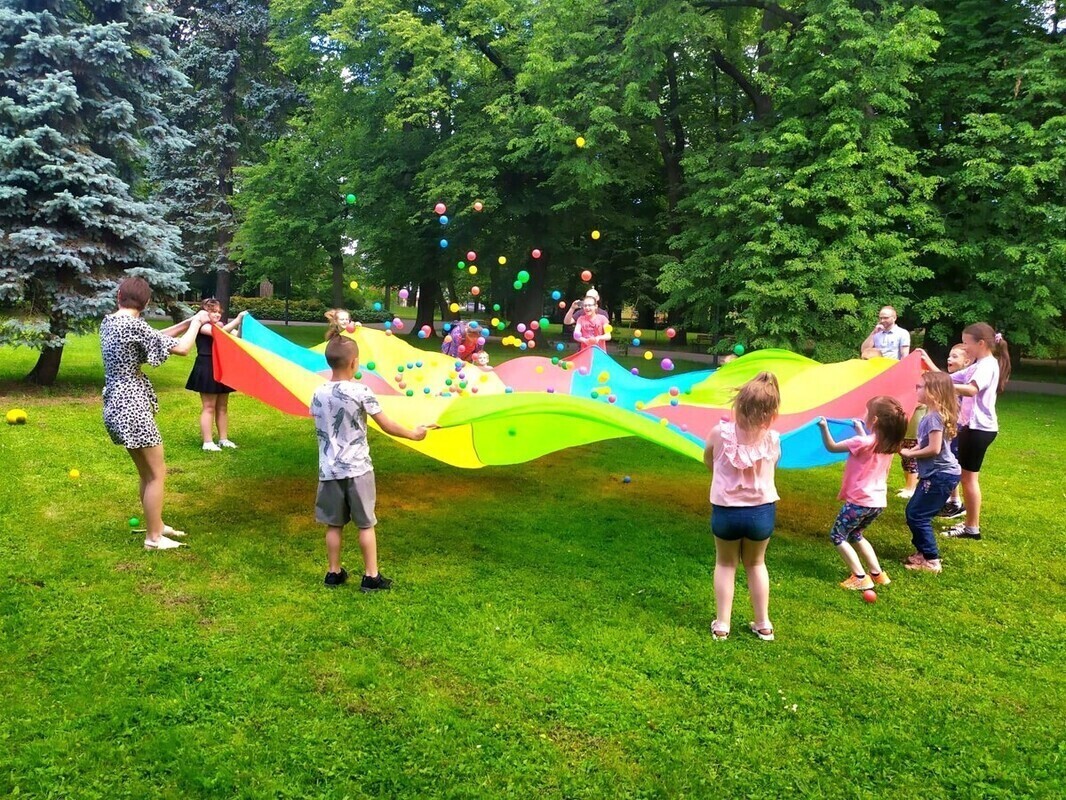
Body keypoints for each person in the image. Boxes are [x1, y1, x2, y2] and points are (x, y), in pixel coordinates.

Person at [311, 335, 429, 588]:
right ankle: (371, 576)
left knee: (333, 524)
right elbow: (386, 424)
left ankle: (333, 573)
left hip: (329, 470)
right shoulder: (361, 391)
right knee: (365, 525)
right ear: (354, 363)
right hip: (358, 470)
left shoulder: (317, 392)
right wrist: (414, 434)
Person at [101, 277, 209, 550]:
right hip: (132, 406)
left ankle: (156, 525)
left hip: (115, 403)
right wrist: (196, 323)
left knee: (147, 473)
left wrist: (186, 323)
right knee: (157, 474)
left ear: (119, 296)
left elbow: (153, 337)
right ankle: (153, 538)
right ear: (147, 302)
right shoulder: (135, 325)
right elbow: (182, 348)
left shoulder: (109, 322)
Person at [703, 372, 781, 641]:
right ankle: (763, 624)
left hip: (726, 511)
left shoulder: (719, 434)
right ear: (772, 414)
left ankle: (722, 625)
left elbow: (708, 460)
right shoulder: (773, 439)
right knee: (756, 563)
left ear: (738, 405)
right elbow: (774, 464)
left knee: (725, 564)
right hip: (761, 513)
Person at [924, 323, 1011, 540]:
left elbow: (971, 390)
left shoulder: (987, 365)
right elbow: (947, 378)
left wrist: (939, 387)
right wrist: (926, 363)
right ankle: (970, 524)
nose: (965, 347)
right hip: (973, 428)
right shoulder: (979, 364)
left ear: (980, 343)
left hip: (978, 429)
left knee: (969, 479)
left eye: (966, 343)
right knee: (967, 478)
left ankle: (972, 528)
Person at [816, 397, 907, 590]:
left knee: (837, 536)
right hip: (877, 502)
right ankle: (878, 574)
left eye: (867, 411)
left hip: (859, 501)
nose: (864, 414)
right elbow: (867, 447)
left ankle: (860, 577)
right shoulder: (888, 445)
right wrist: (860, 429)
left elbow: (832, 447)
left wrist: (823, 427)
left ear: (874, 420)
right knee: (856, 534)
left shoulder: (861, 442)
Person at [900, 371, 961, 573]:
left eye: (920, 387)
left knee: (918, 515)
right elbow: (926, 443)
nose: (916, 390)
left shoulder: (934, 418)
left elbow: (934, 449)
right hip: (935, 474)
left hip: (940, 475)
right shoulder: (931, 414)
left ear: (934, 392)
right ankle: (922, 553)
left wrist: (911, 454)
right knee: (914, 512)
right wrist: (911, 450)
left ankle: (932, 560)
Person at [185, 299, 247, 451]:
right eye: (213, 312)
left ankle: (223, 439)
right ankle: (208, 442)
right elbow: (219, 334)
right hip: (207, 366)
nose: (217, 315)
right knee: (209, 406)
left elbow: (237, 338)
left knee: (223, 406)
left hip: (222, 366)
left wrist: (241, 324)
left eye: (219, 312)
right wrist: (237, 319)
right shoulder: (202, 326)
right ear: (204, 313)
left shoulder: (221, 326)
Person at [937, 343, 975, 519]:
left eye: (954, 356)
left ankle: (955, 502)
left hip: (958, 430)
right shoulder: (953, 380)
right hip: (951, 428)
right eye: (949, 355)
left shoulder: (964, 383)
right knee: (950, 461)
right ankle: (952, 500)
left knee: (953, 464)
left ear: (967, 362)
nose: (949, 359)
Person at [896, 404, 926, 499]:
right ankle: (908, 486)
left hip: (915, 434)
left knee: (912, 461)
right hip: (905, 432)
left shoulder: (923, 400)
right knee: (905, 460)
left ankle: (910, 488)